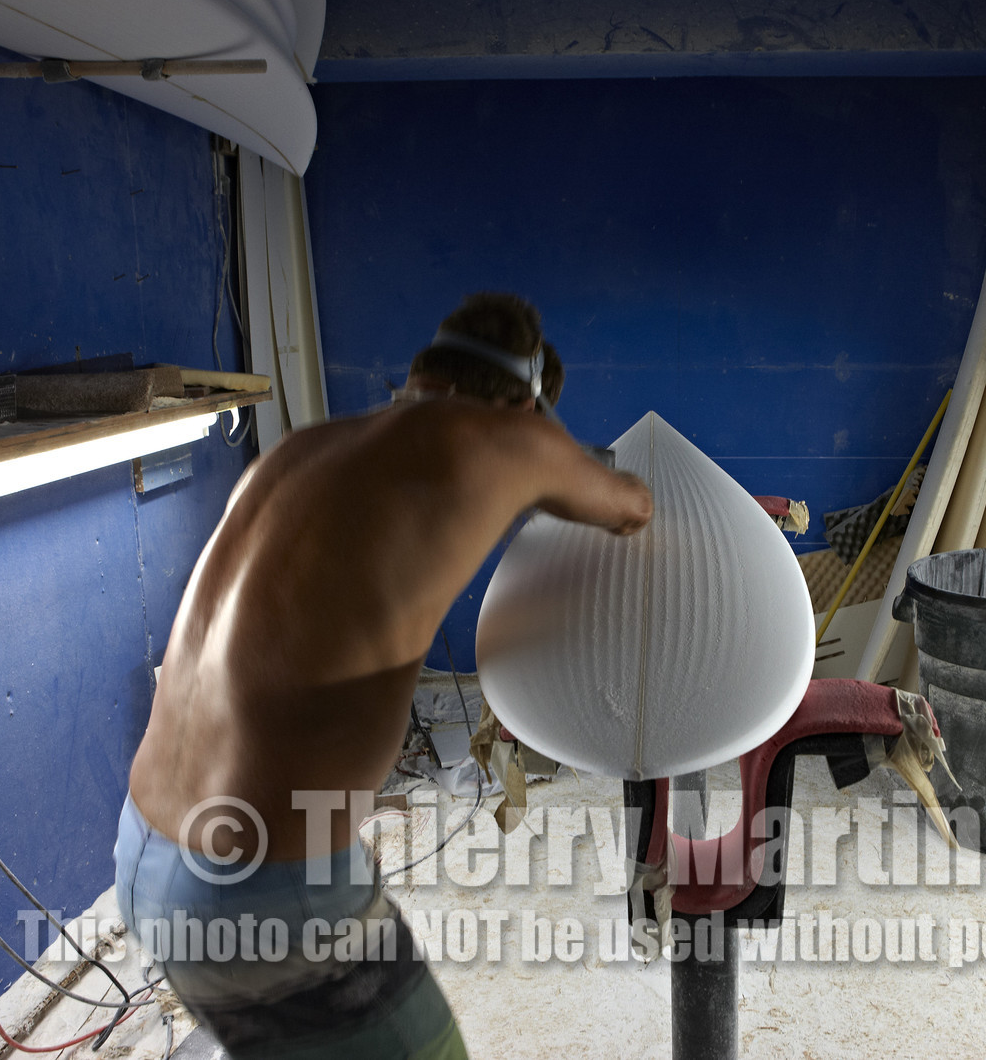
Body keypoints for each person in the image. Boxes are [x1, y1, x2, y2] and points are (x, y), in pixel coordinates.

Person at [115, 292, 653, 1059]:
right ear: (523, 403)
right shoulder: (504, 442)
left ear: (422, 371)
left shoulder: (304, 453)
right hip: (264, 889)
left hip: (144, 857)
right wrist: (546, 435)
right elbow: (629, 505)